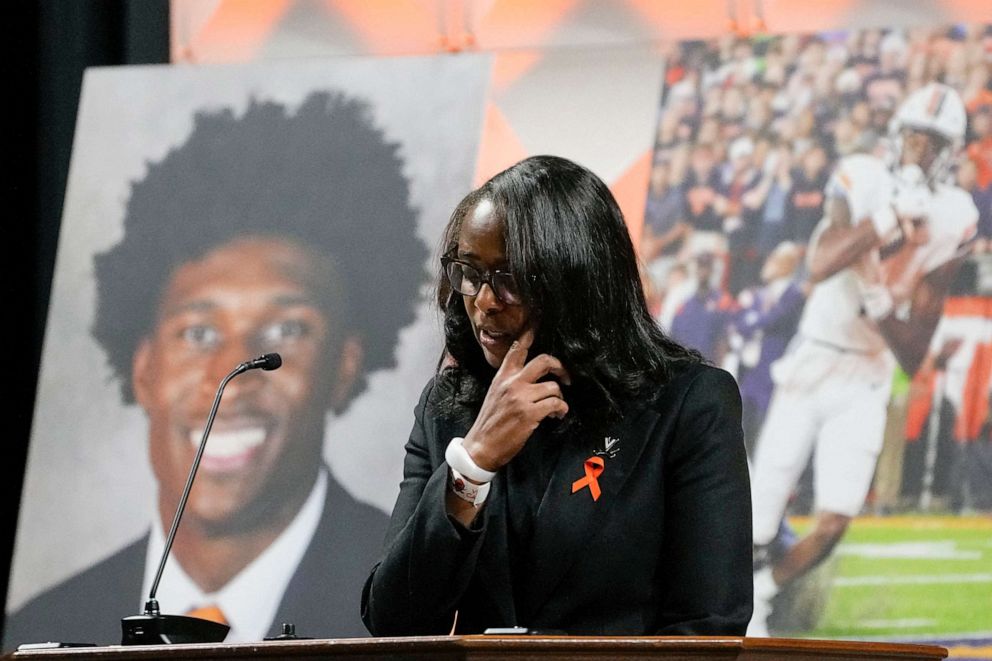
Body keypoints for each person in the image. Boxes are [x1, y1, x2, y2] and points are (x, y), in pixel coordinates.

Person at [4, 92, 426, 648]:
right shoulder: (45, 626)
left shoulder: (409, 595)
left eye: (286, 330)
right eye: (198, 333)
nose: (232, 373)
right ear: (143, 367)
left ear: (344, 365)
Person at [361, 155, 752, 636]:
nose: (483, 301)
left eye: (509, 278)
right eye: (470, 272)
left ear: (577, 279)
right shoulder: (450, 407)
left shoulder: (687, 403)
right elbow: (392, 621)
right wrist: (472, 466)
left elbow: (708, 628)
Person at [747, 82, 979, 636]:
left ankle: (762, 592)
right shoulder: (862, 175)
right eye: (914, 139)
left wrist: (878, 302)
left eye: (934, 143)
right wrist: (885, 220)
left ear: (952, 153)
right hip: (814, 358)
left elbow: (914, 350)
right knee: (755, 521)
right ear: (897, 138)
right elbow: (822, 262)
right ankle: (729, 596)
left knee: (835, 521)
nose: (920, 153)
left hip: (867, 375)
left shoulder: (956, 215)